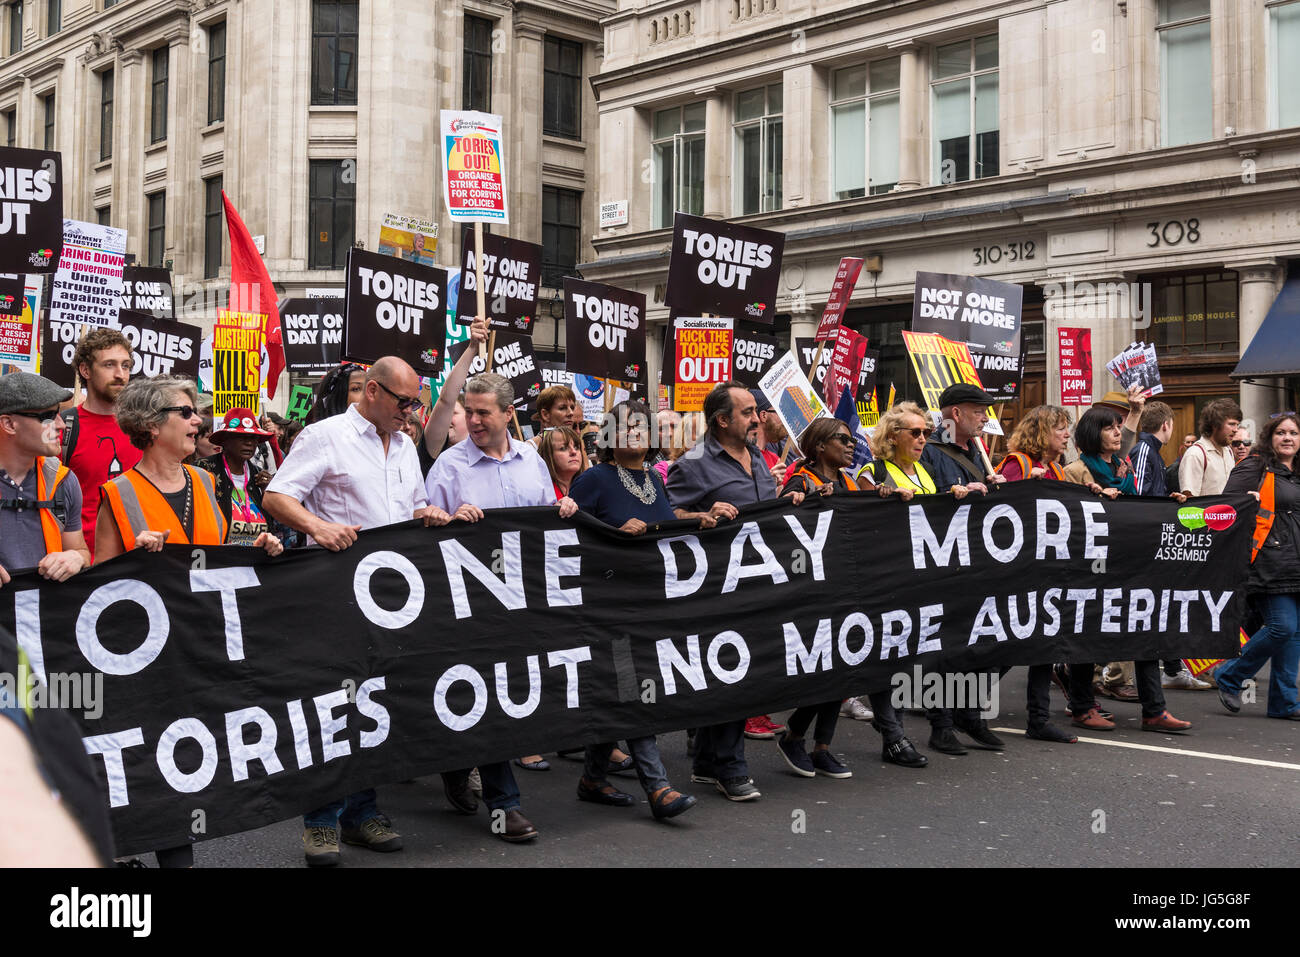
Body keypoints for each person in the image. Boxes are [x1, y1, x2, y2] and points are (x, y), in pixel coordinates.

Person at [263, 357, 450, 866]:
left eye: (415, 403)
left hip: (392, 597)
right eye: (404, 401)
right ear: (371, 391)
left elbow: (410, 505)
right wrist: (318, 526)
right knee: (336, 708)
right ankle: (320, 824)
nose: (412, 413)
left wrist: (427, 514)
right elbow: (277, 496)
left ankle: (362, 812)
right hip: (336, 597)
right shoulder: (325, 437)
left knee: (378, 705)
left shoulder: (407, 446)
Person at [96, 376, 283, 868]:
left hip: (203, 645)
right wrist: (133, 560)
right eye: (186, 412)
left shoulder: (202, 481)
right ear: (152, 425)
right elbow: (98, 590)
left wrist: (257, 546)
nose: (198, 420)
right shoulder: (118, 493)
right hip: (152, 656)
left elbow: (218, 552)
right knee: (161, 762)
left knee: (197, 758)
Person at [425, 371, 576, 841]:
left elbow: (541, 522)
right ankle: (504, 803)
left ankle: (454, 760)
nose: (471, 420)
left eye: (482, 412)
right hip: (470, 606)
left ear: (508, 414)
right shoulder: (449, 468)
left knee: (511, 696)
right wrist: (448, 522)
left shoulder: (532, 462)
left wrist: (562, 510)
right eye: (467, 412)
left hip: (525, 601)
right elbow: (422, 540)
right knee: (489, 698)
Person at [665, 381, 805, 800]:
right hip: (717, 585)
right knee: (732, 670)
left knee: (748, 670)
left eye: (756, 411)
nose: (757, 418)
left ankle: (708, 761)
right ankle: (730, 765)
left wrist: (790, 499)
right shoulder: (692, 464)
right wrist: (701, 514)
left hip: (760, 580)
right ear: (722, 420)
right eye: (747, 412)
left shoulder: (759, 458)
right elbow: (668, 514)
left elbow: (763, 507)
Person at [566, 399, 699, 819]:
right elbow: (567, 542)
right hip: (608, 604)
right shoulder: (593, 480)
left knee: (627, 690)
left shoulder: (653, 481)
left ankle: (591, 778)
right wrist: (613, 533)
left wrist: (698, 517)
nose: (635, 434)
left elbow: (664, 522)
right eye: (624, 427)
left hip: (651, 602)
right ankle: (658, 787)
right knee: (633, 687)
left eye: (642, 427)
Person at [862, 402, 992, 758]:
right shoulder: (872, 470)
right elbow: (860, 517)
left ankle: (915, 725)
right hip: (887, 578)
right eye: (915, 433)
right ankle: (893, 734)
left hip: (923, 579)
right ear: (892, 436)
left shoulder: (925, 471)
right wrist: (881, 496)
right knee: (890, 655)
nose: (922, 439)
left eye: (926, 433)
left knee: (921, 654)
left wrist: (953, 496)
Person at [1060, 406, 1192, 734]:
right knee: (1088, 636)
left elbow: (1138, 508)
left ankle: (1155, 711)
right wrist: (1098, 500)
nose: (1118, 433)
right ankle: (1081, 706)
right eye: (1110, 429)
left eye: (1119, 427)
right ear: (1093, 434)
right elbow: (1068, 518)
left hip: (1128, 562)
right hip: (1091, 567)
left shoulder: (1124, 466)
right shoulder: (1075, 471)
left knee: (1144, 633)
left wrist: (1167, 503)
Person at [775, 418, 858, 778]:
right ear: (820, 446)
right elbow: (779, 525)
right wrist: (808, 503)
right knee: (822, 667)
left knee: (845, 667)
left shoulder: (850, 482)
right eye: (843, 439)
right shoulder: (801, 481)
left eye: (852, 439)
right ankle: (794, 735)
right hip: (812, 589)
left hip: (848, 584)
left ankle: (823, 746)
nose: (851, 444)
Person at [993, 404, 1078, 743]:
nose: (1067, 434)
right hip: (1019, 572)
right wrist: (1026, 484)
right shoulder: (1018, 465)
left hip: (1047, 572)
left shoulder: (1056, 470)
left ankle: (1039, 719)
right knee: (1008, 646)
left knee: (1044, 645)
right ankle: (959, 704)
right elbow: (999, 510)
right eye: (1060, 428)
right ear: (1042, 432)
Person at [1216, 413, 1300, 721]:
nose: (1287, 437)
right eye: (1281, 432)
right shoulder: (1256, 465)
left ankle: (1284, 703)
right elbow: (1227, 505)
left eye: (1293, 432)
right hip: (1268, 563)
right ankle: (1229, 676)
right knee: (1282, 627)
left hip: (1296, 564)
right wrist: (1246, 501)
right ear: (1270, 437)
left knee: (1294, 634)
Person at [1128, 402, 1211, 690]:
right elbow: (1137, 497)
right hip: (1146, 545)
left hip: (1153, 543)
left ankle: (1173, 669)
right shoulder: (1143, 451)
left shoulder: (1152, 452)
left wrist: (1168, 498)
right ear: (1167, 425)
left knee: (1165, 608)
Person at [0, 373, 92, 589]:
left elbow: (81, 552)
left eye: (58, 414)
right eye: (48, 416)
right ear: (9, 424)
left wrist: (75, 559)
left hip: (40, 619)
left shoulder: (63, 482)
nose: (61, 425)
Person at [60, 327, 142, 561]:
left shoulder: (144, 428)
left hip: (136, 560)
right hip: (82, 566)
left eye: (126, 365)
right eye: (109, 365)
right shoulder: (63, 429)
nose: (120, 374)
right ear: (85, 370)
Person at [195, 408, 276, 546]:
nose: (249, 443)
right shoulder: (204, 470)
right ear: (225, 440)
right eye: (241, 437)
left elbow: (274, 527)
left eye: (253, 438)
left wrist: (268, 492)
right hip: (217, 561)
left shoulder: (259, 475)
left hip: (253, 562)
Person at [419, 316, 489, 475]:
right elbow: (445, 400)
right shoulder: (434, 452)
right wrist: (472, 348)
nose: (446, 418)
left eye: (454, 413)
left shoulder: (488, 459)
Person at [919, 383, 1005, 494]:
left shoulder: (976, 450)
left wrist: (994, 486)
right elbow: (921, 504)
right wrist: (956, 494)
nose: (986, 419)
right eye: (979, 412)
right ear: (956, 413)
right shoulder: (926, 451)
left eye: (986, 412)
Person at [1179, 397, 1242, 496]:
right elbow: (1189, 500)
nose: (1236, 429)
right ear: (1215, 425)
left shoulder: (1228, 451)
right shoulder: (1195, 454)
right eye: (1231, 424)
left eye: (1237, 424)